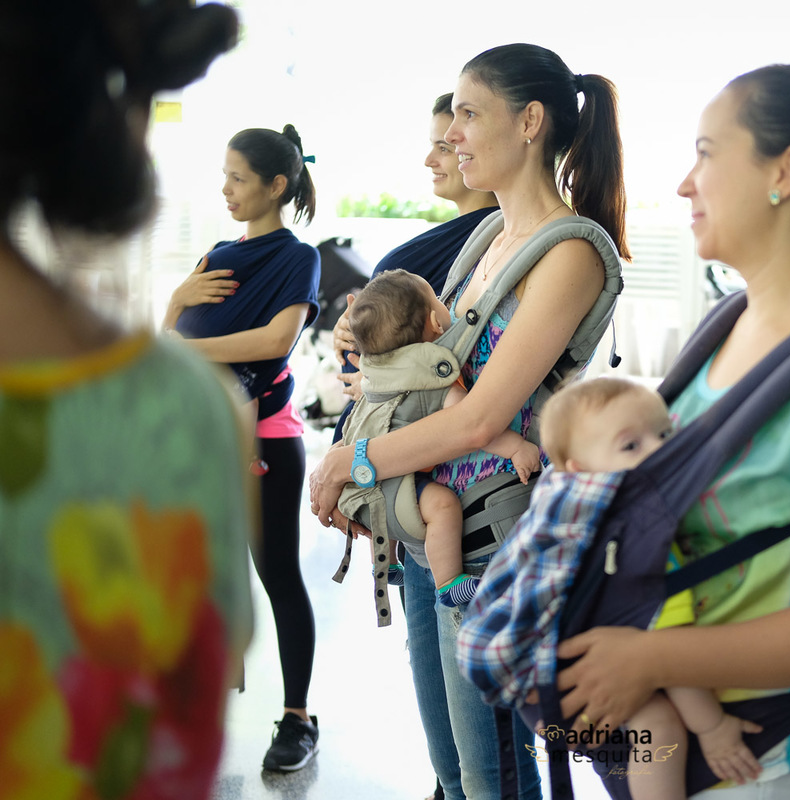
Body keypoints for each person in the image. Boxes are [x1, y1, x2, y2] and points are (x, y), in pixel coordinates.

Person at [551, 65, 790, 799]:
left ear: (784, 171)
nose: (684, 184)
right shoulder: (728, 324)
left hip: (776, 759)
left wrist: (650, 661)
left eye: (705, 153)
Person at [309, 42, 629, 800]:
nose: (451, 134)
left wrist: (351, 463)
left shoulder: (573, 253)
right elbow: (436, 372)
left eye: (468, 114)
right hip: (430, 529)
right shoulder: (486, 237)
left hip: (491, 547)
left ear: (530, 122)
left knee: (495, 778)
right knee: (453, 773)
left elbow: (481, 418)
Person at [0, 3, 252, 799]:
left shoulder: (273, 266)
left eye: (238, 178)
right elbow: (175, 736)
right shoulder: (181, 409)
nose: (227, 190)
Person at [163, 125, 322, 770]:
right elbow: (165, 342)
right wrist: (175, 300)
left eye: (238, 178)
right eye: (224, 177)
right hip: (200, 436)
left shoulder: (298, 258)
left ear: (276, 185)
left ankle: (297, 719)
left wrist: (189, 347)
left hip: (266, 441)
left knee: (277, 574)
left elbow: (274, 342)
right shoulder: (218, 253)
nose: (225, 190)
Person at [539, 377, 764, 798]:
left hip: (553, 671)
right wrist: (713, 728)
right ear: (580, 471)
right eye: (630, 445)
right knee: (659, 725)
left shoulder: (562, 510)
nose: (659, 451)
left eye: (664, 434)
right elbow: (668, 653)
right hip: (575, 680)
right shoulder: (638, 544)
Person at [339, 269, 541, 606]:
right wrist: (516, 447)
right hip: (393, 493)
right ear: (435, 321)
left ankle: (385, 564)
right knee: (443, 506)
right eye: (438, 299)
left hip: (364, 492)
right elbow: (470, 424)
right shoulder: (430, 377)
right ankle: (449, 583)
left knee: (387, 498)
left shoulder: (376, 373)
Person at [330, 92, 500, 444]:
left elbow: (455, 349)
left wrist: (380, 382)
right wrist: (349, 329)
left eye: (444, 148)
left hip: (397, 429)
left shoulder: (495, 242)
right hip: (368, 424)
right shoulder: (454, 235)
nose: (428, 160)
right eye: (433, 145)